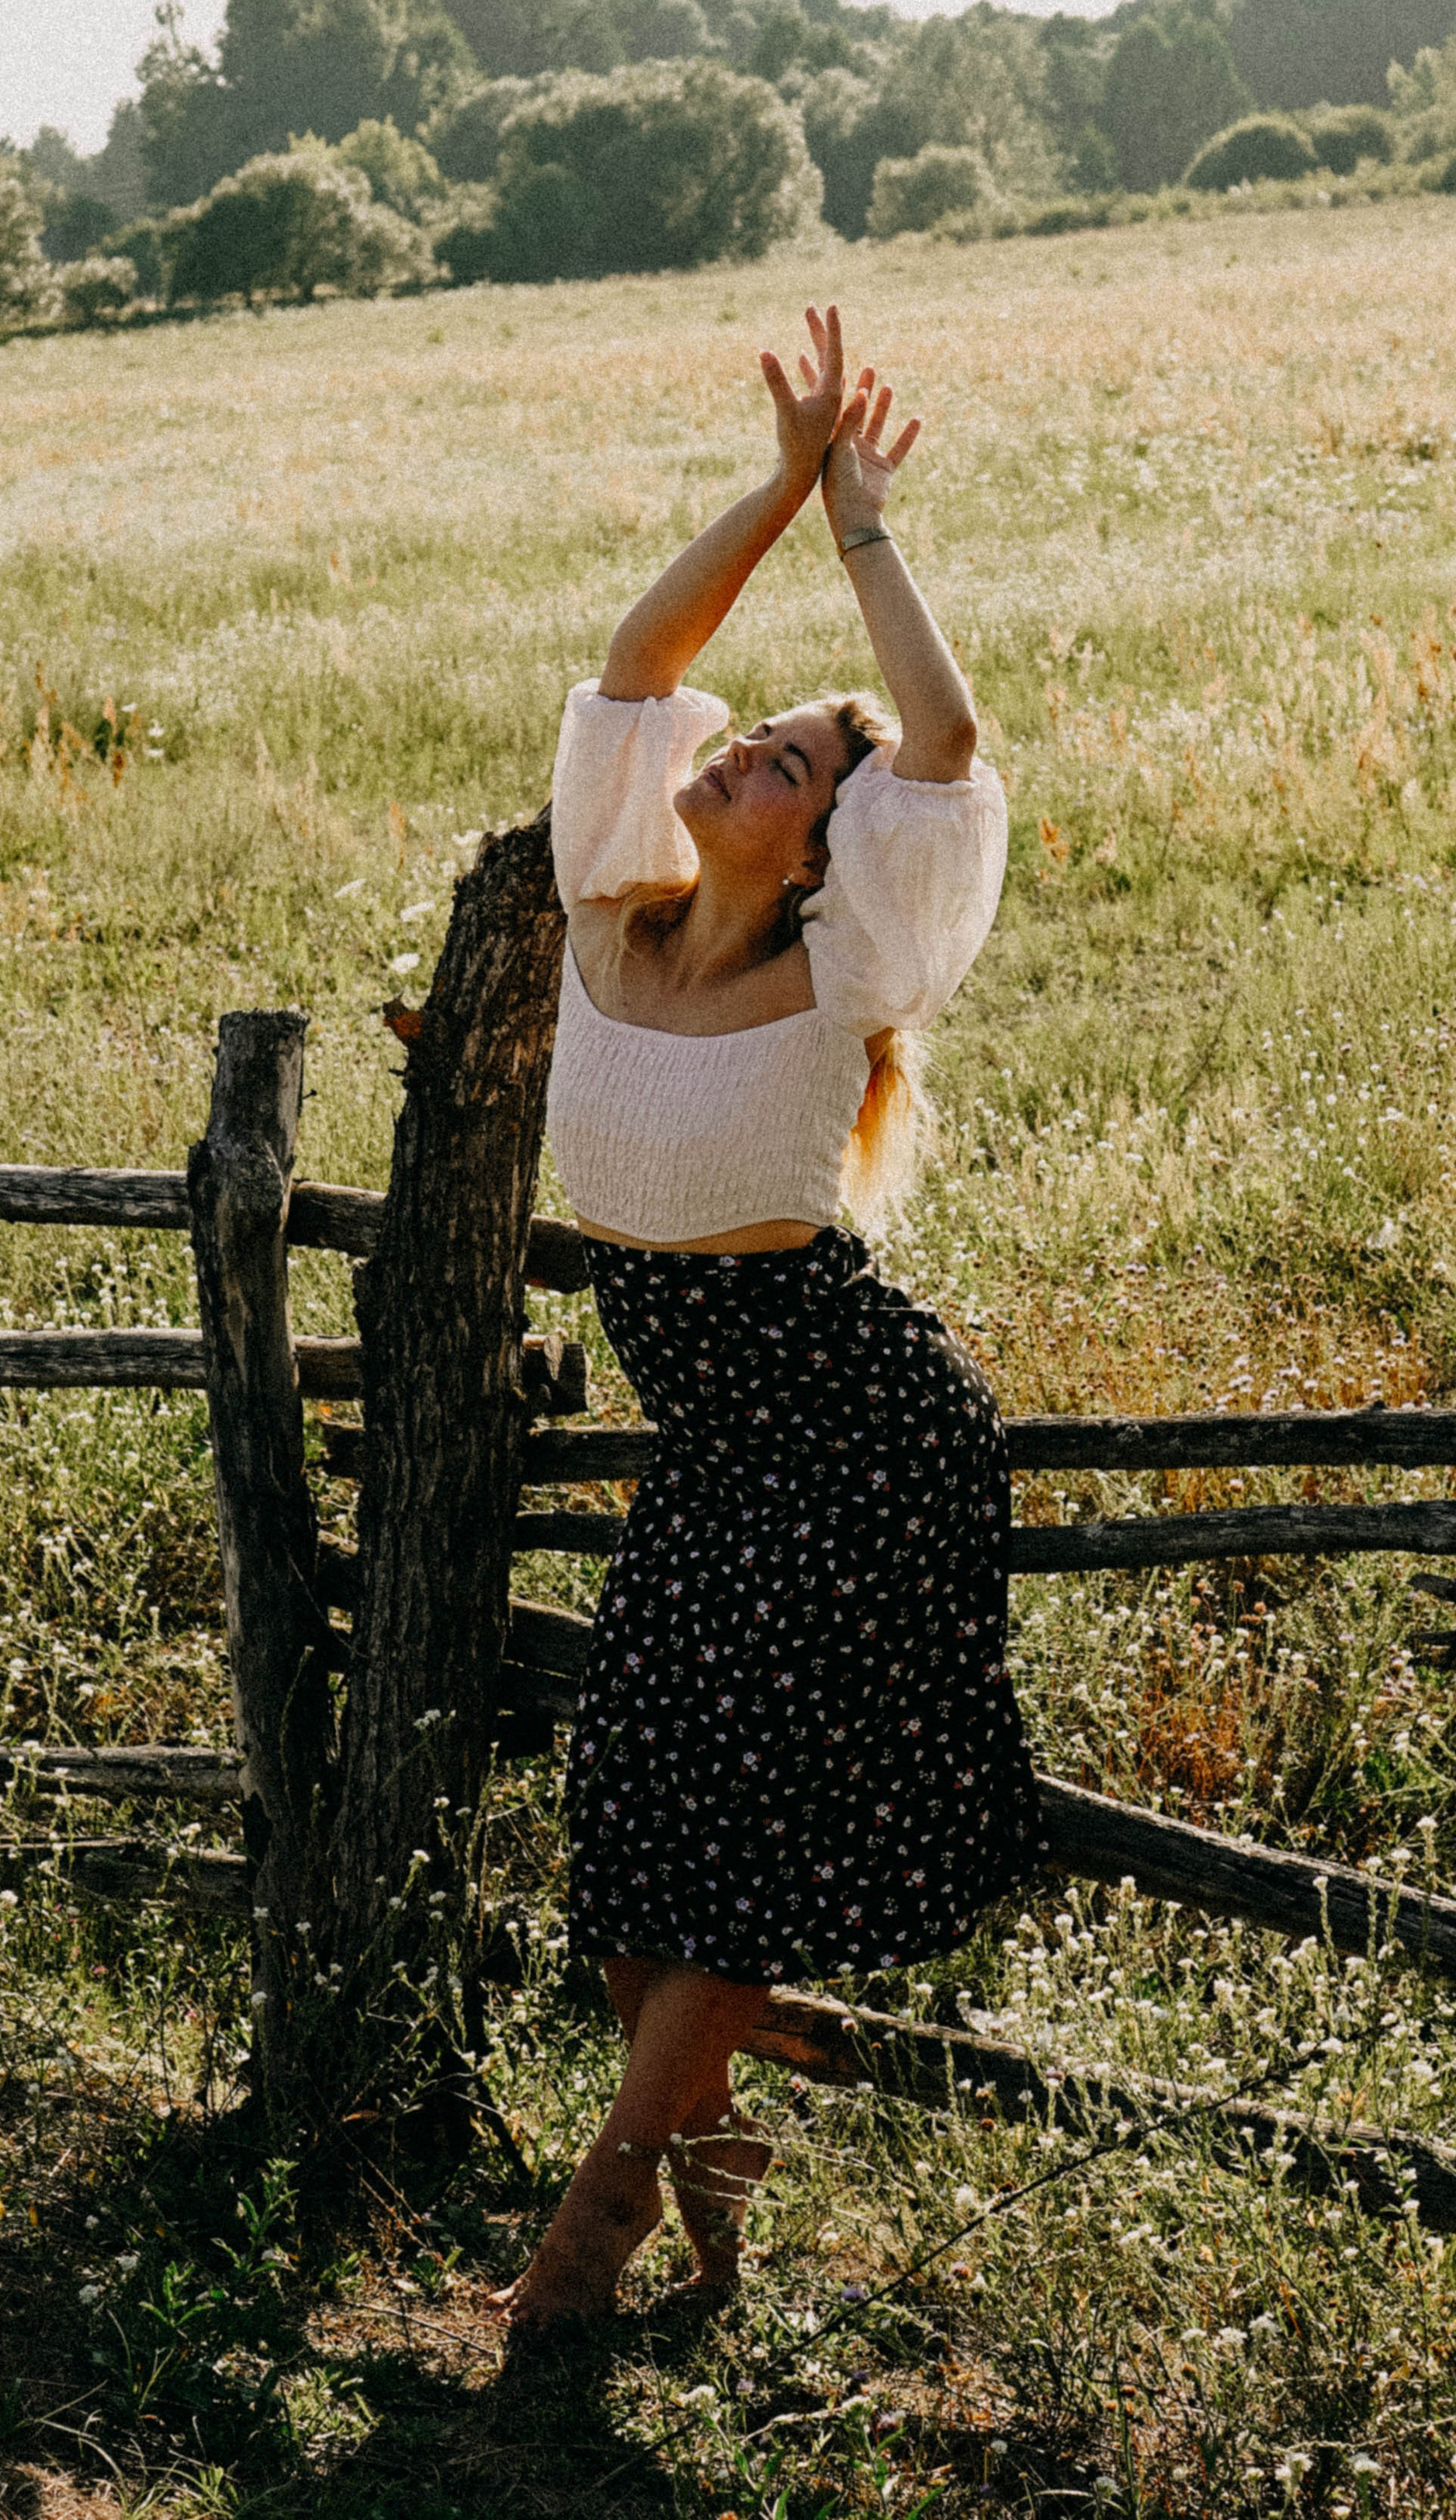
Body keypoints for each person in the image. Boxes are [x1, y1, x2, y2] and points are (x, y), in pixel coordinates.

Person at [490, 306, 1043, 2331]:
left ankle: (598, 2230)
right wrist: (778, 486)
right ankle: (717, 2200)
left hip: (856, 1427)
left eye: (791, 759)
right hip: (726, 1442)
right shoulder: (609, 908)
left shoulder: (841, 975)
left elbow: (952, 756)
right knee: (632, 1856)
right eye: (751, 740)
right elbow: (637, 667)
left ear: (826, 844)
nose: (737, 747)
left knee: (709, 1871)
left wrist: (869, 538)